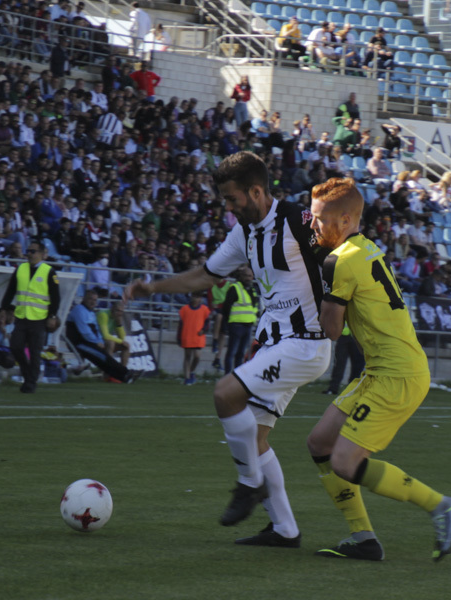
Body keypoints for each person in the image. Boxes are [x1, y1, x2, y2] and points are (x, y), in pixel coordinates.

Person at [125, 151, 332, 546]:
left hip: (305, 344)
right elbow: (204, 275)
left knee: (225, 394)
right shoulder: (243, 234)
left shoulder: (298, 221)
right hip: (277, 346)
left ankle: (248, 484)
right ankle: (284, 530)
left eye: (232, 198)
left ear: (256, 191)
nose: (228, 207)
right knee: (255, 438)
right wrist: (151, 287)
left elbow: (342, 253)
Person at [306, 177, 451, 562]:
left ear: (345, 220)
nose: (313, 226)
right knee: (319, 444)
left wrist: (316, 279)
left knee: (345, 462)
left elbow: (331, 330)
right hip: (382, 370)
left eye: (318, 219)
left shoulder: (339, 261)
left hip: (397, 375)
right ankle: (362, 538)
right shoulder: (363, 249)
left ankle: (443, 505)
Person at [0, 241, 61, 393]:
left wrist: (52, 316)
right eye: (28, 251)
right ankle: (28, 375)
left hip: (39, 318)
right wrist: (3, 308)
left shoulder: (49, 271)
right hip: (22, 316)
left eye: (33, 251)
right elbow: (10, 290)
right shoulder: (21, 268)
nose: (29, 254)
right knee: (16, 347)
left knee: (35, 352)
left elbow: (55, 297)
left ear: (41, 254)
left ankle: (30, 383)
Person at [66, 289, 138, 383]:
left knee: (103, 356)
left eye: (95, 300)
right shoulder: (79, 310)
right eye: (90, 299)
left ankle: (123, 376)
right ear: (84, 299)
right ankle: (125, 374)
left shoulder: (91, 312)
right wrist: (97, 342)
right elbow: (85, 332)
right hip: (78, 343)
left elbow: (96, 331)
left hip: (88, 342)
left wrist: (100, 341)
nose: (93, 302)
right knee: (102, 356)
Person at [219, 265, 257, 374]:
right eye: (246, 276)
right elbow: (226, 307)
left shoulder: (252, 289)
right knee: (232, 352)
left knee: (240, 353)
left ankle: (237, 378)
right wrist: (227, 322)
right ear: (241, 276)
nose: (248, 278)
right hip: (236, 325)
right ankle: (227, 376)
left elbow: (254, 306)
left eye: (250, 276)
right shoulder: (235, 288)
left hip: (248, 325)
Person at [178, 291, 211, 385]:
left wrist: (204, 330)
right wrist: (179, 337)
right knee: (187, 356)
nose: (196, 299)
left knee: (197, 356)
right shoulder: (184, 309)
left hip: (198, 336)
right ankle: (187, 377)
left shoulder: (204, 309)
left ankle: (191, 371)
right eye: (195, 296)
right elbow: (180, 325)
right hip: (187, 335)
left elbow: (207, 322)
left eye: (198, 297)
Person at [322, 323, 364, 396]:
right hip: (344, 336)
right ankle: (333, 388)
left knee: (357, 365)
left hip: (357, 336)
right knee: (339, 363)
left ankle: (352, 388)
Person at [97, 300, 129, 370]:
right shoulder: (103, 315)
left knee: (126, 346)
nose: (119, 314)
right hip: (95, 340)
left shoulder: (116, 319)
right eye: (117, 310)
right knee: (111, 343)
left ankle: (122, 372)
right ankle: (108, 372)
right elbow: (105, 335)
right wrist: (121, 341)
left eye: (121, 311)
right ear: (112, 309)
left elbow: (122, 338)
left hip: (103, 342)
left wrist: (119, 324)